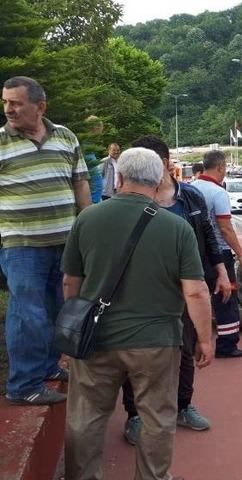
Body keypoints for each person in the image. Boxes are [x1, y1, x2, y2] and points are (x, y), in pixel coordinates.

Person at [62, 147, 213, 480]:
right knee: (157, 417)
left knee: (86, 417)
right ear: (159, 180)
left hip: (95, 339)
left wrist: (74, 326)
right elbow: (195, 290)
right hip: (156, 342)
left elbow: (71, 282)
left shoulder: (88, 219)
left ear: (118, 177)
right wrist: (204, 338)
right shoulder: (176, 228)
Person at [119, 135, 233, 445]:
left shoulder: (190, 197)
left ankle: (183, 405)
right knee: (137, 353)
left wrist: (221, 271)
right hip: (142, 291)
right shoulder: (130, 199)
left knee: (185, 348)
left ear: (166, 164)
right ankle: (135, 414)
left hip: (185, 287)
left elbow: (209, 235)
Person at [0, 76, 92, 406]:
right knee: (28, 313)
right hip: (21, 245)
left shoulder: (65, 136)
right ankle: (24, 385)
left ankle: (49, 367)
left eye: (16, 103)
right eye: (5, 102)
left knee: (57, 309)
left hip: (65, 242)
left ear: (40, 107)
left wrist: (88, 230)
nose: (8, 109)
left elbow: (80, 184)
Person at [191, 150, 242, 358]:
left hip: (195, 252)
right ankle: (227, 344)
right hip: (218, 253)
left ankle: (192, 341)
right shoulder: (218, 193)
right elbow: (225, 228)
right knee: (226, 296)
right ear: (220, 167)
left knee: (195, 295)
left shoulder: (191, 188)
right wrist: (240, 253)